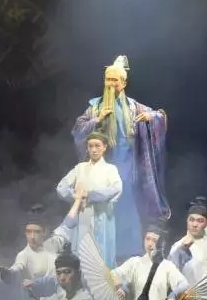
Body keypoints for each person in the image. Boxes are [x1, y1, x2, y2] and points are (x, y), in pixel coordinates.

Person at [71, 55, 169, 261]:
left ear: (123, 83)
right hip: (103, 168)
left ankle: (128, 256)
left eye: (115, 80)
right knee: (103, 214)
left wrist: (151, 117)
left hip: (128, 168)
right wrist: (97, 120)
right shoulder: (95, 107)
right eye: (108, 79)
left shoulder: (134, 107)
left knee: (127, 211)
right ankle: (100, 255)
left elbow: (159, 116)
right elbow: (78, 131)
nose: (110, 84)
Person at [56, 132, 123, 267]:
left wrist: (92, 195)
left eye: (97, 146)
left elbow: (116, 188)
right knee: (81, 254)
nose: (94, 150)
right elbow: (61, 187)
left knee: (101, 255)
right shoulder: (80, 168)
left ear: (104, 147)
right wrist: (75, 196)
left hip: (102, 217)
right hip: (82, 217)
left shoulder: (110, 169)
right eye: (90, 146)